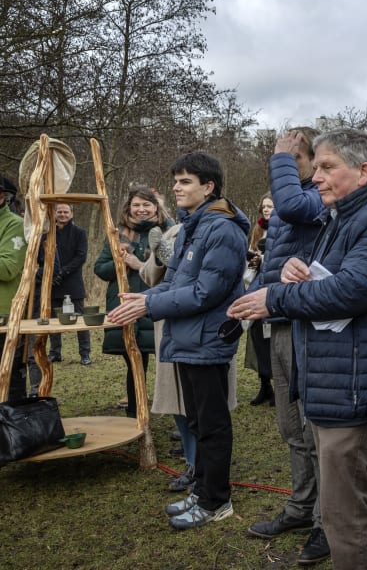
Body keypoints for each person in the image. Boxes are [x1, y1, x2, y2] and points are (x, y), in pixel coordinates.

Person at [228, 128, 367, 570]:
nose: (316, 178)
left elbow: (352, 291)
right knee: (351, 503)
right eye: (317, 168)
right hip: (337, 380)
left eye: (329, 168)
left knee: (343, 514)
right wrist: (297, 271)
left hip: (354, 384)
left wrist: (274, 297)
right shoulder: (341, 218)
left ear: (363, 171)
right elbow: (331, 279)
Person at [109, 152, 249, 529]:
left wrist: (149, 308)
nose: (176, 187)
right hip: (187, 339)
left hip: (207, 341)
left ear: (209, 187)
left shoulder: (222, 229)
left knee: (212, 424)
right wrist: (146, 298)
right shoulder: (193, 226)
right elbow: (175, 280)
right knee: (198, 422)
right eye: (176, 180)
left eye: (185, 181)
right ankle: (202, 492)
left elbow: (205, 292)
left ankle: (217, 501)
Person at [244, 127, 331, 566]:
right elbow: (274, 260)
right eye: (281, 158)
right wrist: (253, 300)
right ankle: (300, 507)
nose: (283, 162)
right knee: (290, 428)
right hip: (277, 322)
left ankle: (324, 521)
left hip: (307, 325)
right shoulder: (284, 205)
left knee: (314, 430)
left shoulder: (316, 196)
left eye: (292, 157)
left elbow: (295, 209)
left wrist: (280, 157)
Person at [93, 185, 173, 418]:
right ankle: (134, 410)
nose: (141, 210)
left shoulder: (168, 231)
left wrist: (140, 264)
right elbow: (100, 269)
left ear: (156, 207)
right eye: (136, 205)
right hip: (125, 301)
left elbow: (174, 269)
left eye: (146, 205)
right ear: (129, 207)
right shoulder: (117, 234)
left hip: (155, 300)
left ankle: (172, 409)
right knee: (134, 357)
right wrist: (119, 261)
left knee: (165, 359)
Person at [46, 203, 91, 366]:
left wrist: (63, 272)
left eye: (66, 211)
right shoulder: (48, 233)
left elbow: (81, 257)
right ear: (55, 213)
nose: (63, 214)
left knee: (80, 319)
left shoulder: (80, 233)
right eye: (60, 211)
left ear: (71, 214)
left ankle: (85, 353)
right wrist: (51, 275)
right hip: (53, 283)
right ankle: (55, 352)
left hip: (73, 282)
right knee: (53, 320)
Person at [244, 192, 274, 406]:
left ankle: (278, 386)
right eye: (264, 206)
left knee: (272, 338)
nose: (266, 210)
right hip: (255, 283)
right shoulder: (258, 229)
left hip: (272, 286)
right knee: (257, 337)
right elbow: (254, 252)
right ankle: (265, 385)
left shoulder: (284, 228)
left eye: (270, 206)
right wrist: (255, 261)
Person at [0, 175, 27, 400]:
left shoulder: (15, 225)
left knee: (8, 381)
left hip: (4, 315)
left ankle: (14, 432)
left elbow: (8, 268)